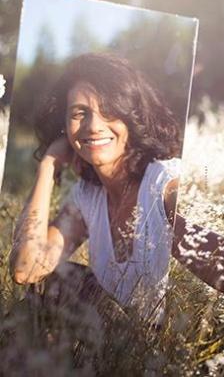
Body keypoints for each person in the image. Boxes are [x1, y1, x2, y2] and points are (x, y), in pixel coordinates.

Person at [9, 52, 181, 326]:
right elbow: (26, 270)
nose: (94, 126)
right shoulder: (88, 197)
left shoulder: (166, 182)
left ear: (132, 116)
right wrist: (48, 165)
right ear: (64, 126)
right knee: (47, 287)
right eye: (80, 113)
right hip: (116, 352)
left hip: (167, 356)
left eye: (109, 109)